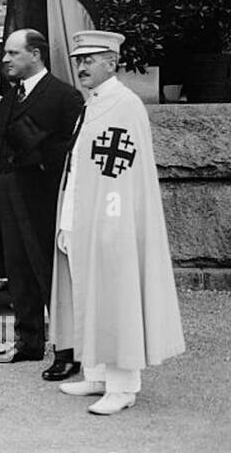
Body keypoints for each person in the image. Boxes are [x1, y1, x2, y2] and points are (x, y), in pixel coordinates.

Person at [48, 30, 184, 412]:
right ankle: (96, 373)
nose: (82, 66)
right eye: (79, 60)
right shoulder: (93, 103)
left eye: (90, 59)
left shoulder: (124, 104)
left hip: (109, 221)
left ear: (112, 62)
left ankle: (123, 387)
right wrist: (68, 219)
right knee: (87, 294)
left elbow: (121, 174)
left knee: (116, 297)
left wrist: (112, 223)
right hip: (80, 216)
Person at [0, 30, 84, 364]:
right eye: (4, 54)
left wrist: (37, 154)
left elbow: (72, 151)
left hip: (43, 198)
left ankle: (67, 349)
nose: (5, 59)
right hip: (9, 194)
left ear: (36, 54)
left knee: (50, 274)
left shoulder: (64, 96)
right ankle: (28, 341)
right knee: (18, 271)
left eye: (13, 53)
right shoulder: (10, 95)